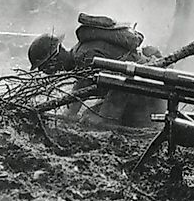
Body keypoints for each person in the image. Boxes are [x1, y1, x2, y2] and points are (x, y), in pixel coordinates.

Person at [28, 13, 163, 127]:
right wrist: (66, 116)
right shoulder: (79, 57)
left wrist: (104, 121)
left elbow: (119, 84)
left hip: (149, 95)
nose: (45, 72)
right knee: (88, 118)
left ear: (53, 60)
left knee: (94, 123)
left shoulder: (85, 58)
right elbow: (79, 93)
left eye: (43, 67)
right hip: (140, 91)